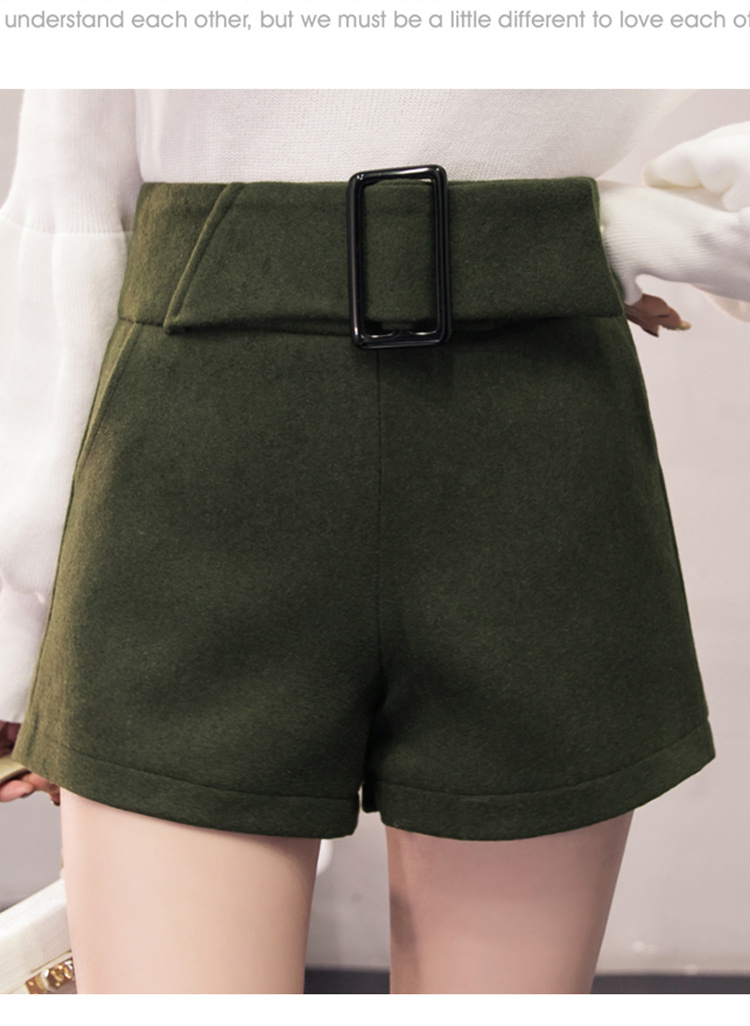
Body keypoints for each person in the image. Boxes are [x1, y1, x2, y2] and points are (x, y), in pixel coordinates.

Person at [0, 90, 748, 994]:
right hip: (199, 435)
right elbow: (69, 201)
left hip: (530, 427)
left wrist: (678, 226)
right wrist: (16, 622)